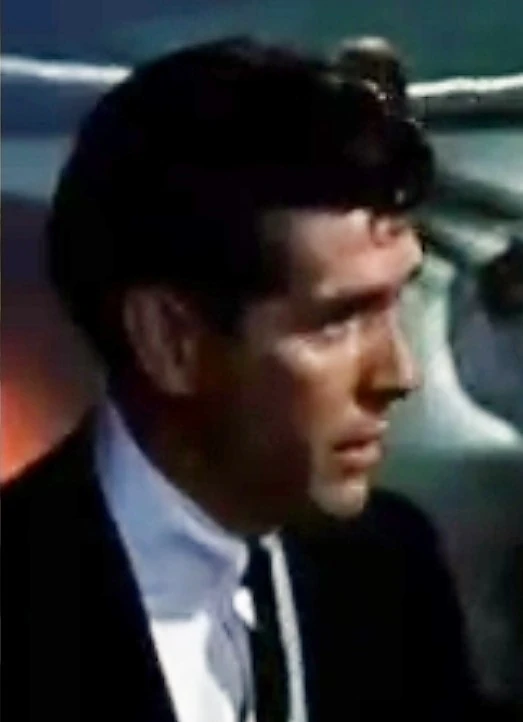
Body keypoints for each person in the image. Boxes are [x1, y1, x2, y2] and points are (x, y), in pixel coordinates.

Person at [2, 37, 477, 722]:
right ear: (171, 340)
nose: (398, 375)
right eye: (337, 322)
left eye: (394, 303)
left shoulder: (390, 567)